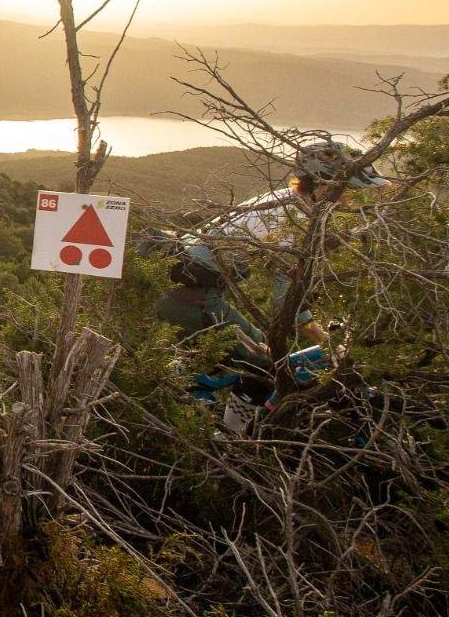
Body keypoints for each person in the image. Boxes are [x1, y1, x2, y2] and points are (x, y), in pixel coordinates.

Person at [153, 138, 389, 428]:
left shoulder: (284, 200)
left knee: (246, 351)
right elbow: (284, 293)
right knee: (267, 362)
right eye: (346, 191)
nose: (348, 200)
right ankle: (227, 430)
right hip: (192, 298)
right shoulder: (292, 218)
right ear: (323, 186)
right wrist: (323, 340)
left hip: (185, 290)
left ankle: (195, 384)